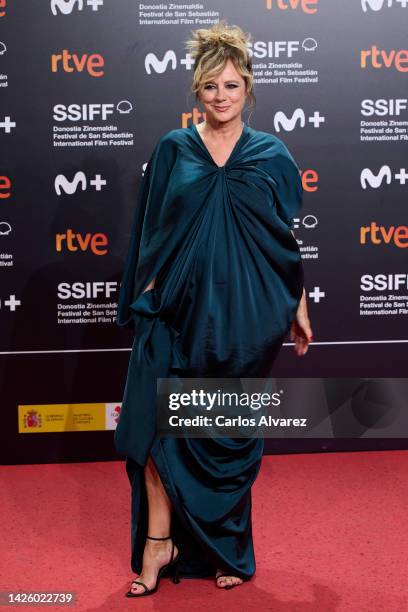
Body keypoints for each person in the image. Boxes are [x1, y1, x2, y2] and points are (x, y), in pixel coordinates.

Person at [114, 21, 313, 596]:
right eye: (209, 88)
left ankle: (227, 546)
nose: (220, 98)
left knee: (224, 434)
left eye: (230, 86)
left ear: (247, 87)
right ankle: (158, 546)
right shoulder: (174, 149)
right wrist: (146, 292)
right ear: (196, 93)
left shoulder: (272, 154)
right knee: (151, 430)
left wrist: (298, 306)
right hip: (176, 310)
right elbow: (151, 233)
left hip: (243, 318)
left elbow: (285, 242)